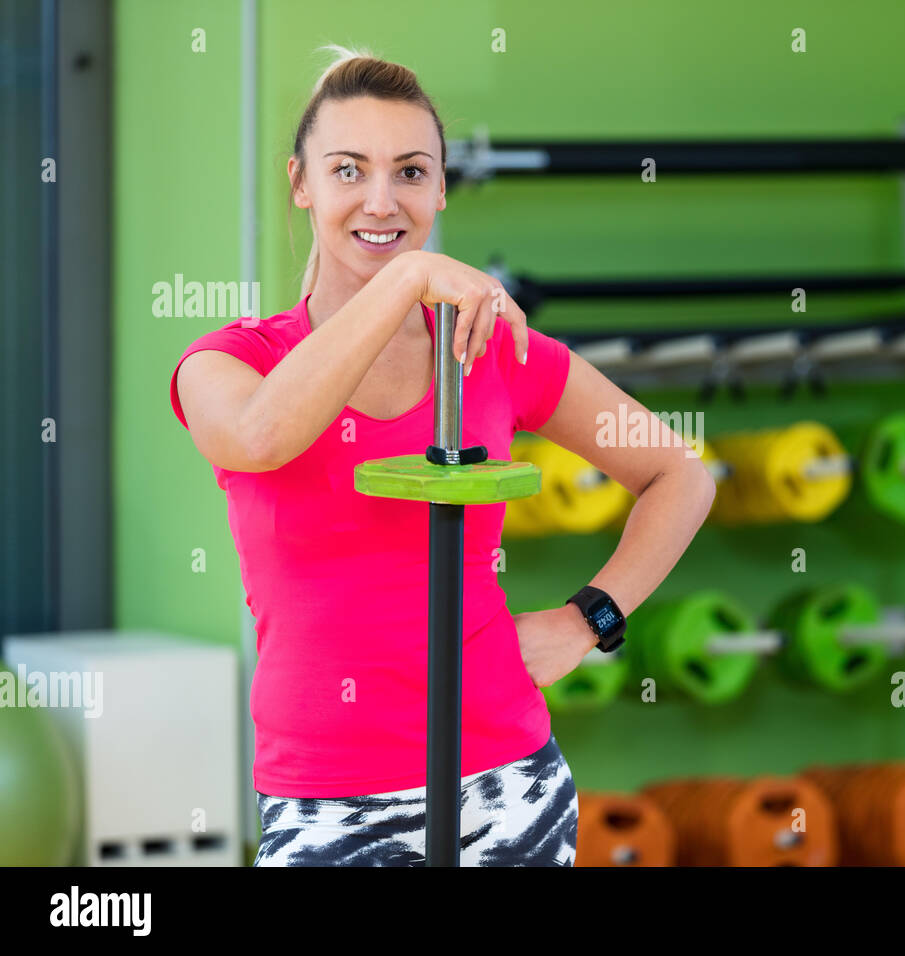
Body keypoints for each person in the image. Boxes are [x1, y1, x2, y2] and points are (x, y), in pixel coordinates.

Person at [169, 46, 715, 866]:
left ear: (441, 190)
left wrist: (589, 620)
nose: (381, 200)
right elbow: (259, 437)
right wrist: (408, 275)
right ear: (300, 183)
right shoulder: (231, 361)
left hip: (507, 783)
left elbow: (680, 474)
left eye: (411, 172)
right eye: (348, 170)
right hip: (326, 803)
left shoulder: (489, 349)